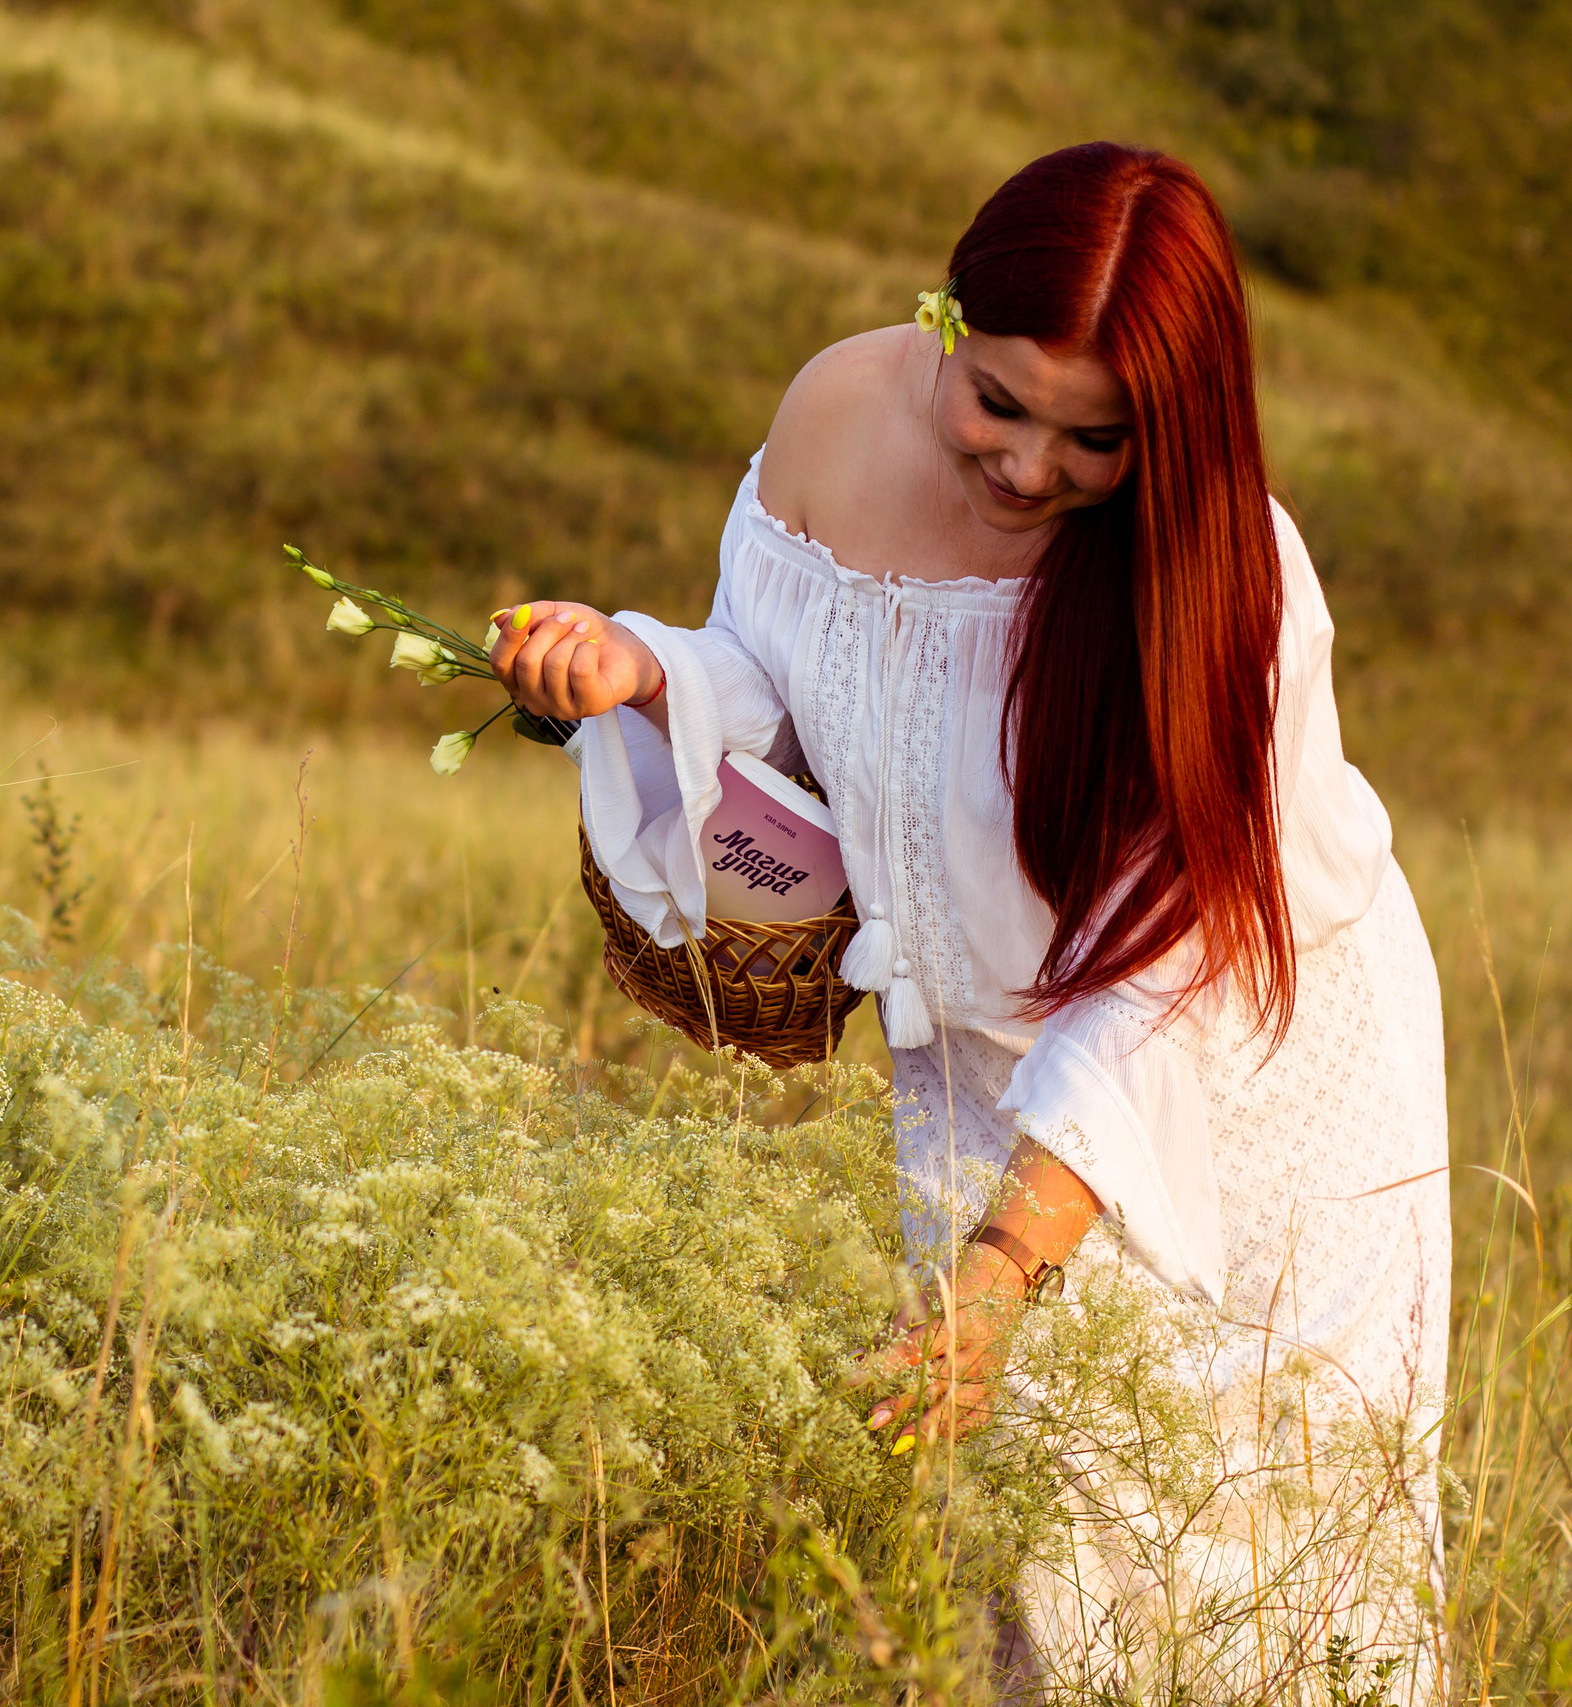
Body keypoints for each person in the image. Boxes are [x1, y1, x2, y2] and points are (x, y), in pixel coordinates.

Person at [488, 142, 1450, 1701]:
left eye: (1097, 440)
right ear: (946, 320)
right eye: (1000, 403)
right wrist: (644, 672)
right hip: (993, 1061)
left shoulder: (1230, 574)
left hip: (1256, 1072)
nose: (1029, 468)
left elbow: (1171, 968)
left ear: (1174, 430)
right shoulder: (829, 419)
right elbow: (785, 695)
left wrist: (1001, 1268)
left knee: (1263, 1582)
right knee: (1052, 1571)